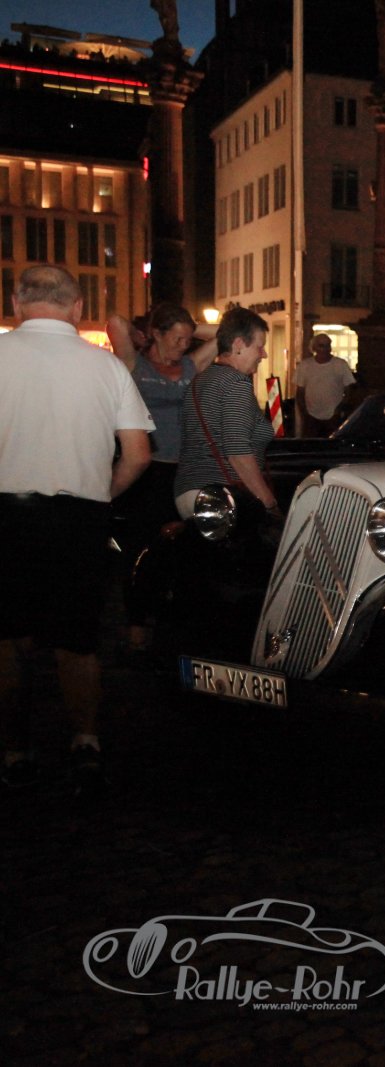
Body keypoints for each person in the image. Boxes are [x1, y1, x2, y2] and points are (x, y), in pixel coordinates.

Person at [0, 266, 154, 796]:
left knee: (8, 638)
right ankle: (85, 741)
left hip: (6, 515)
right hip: (79, 516)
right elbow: (138, 454)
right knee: (79, 640)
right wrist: (102, 492)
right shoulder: (106, 367)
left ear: (17, 303)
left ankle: (14, 749)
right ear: (77, 307)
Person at [107, 303, 217, 654]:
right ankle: (137, 620)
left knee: (184, 546)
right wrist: (142, 332)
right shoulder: (135, 365)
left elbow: (225, 332)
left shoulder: (190, 365)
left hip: (184, 469)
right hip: (147, 469)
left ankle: (174, 621)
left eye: (188, 339)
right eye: (176, 338)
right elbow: (115, 322)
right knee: (142, 547)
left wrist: (190, 327)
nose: (183, 345)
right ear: (156, 334)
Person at [174, 308, 277, 519]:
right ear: (238, 345)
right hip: (220, 497)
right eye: (259, 347)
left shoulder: (201, 380)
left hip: (190, 491)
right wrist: (268, 501)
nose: (264, 354)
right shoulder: (236, 383)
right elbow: (238, 452)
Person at [295, 334, 355, 437]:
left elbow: (349, 389)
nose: (325, 349)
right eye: (321, 346)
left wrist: (340, 409)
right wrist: (305, 413)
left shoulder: (340, 364)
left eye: (327, 345)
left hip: (333, 417)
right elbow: (300, 392)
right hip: (311, 417)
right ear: (314, 348)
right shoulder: (305, 366)